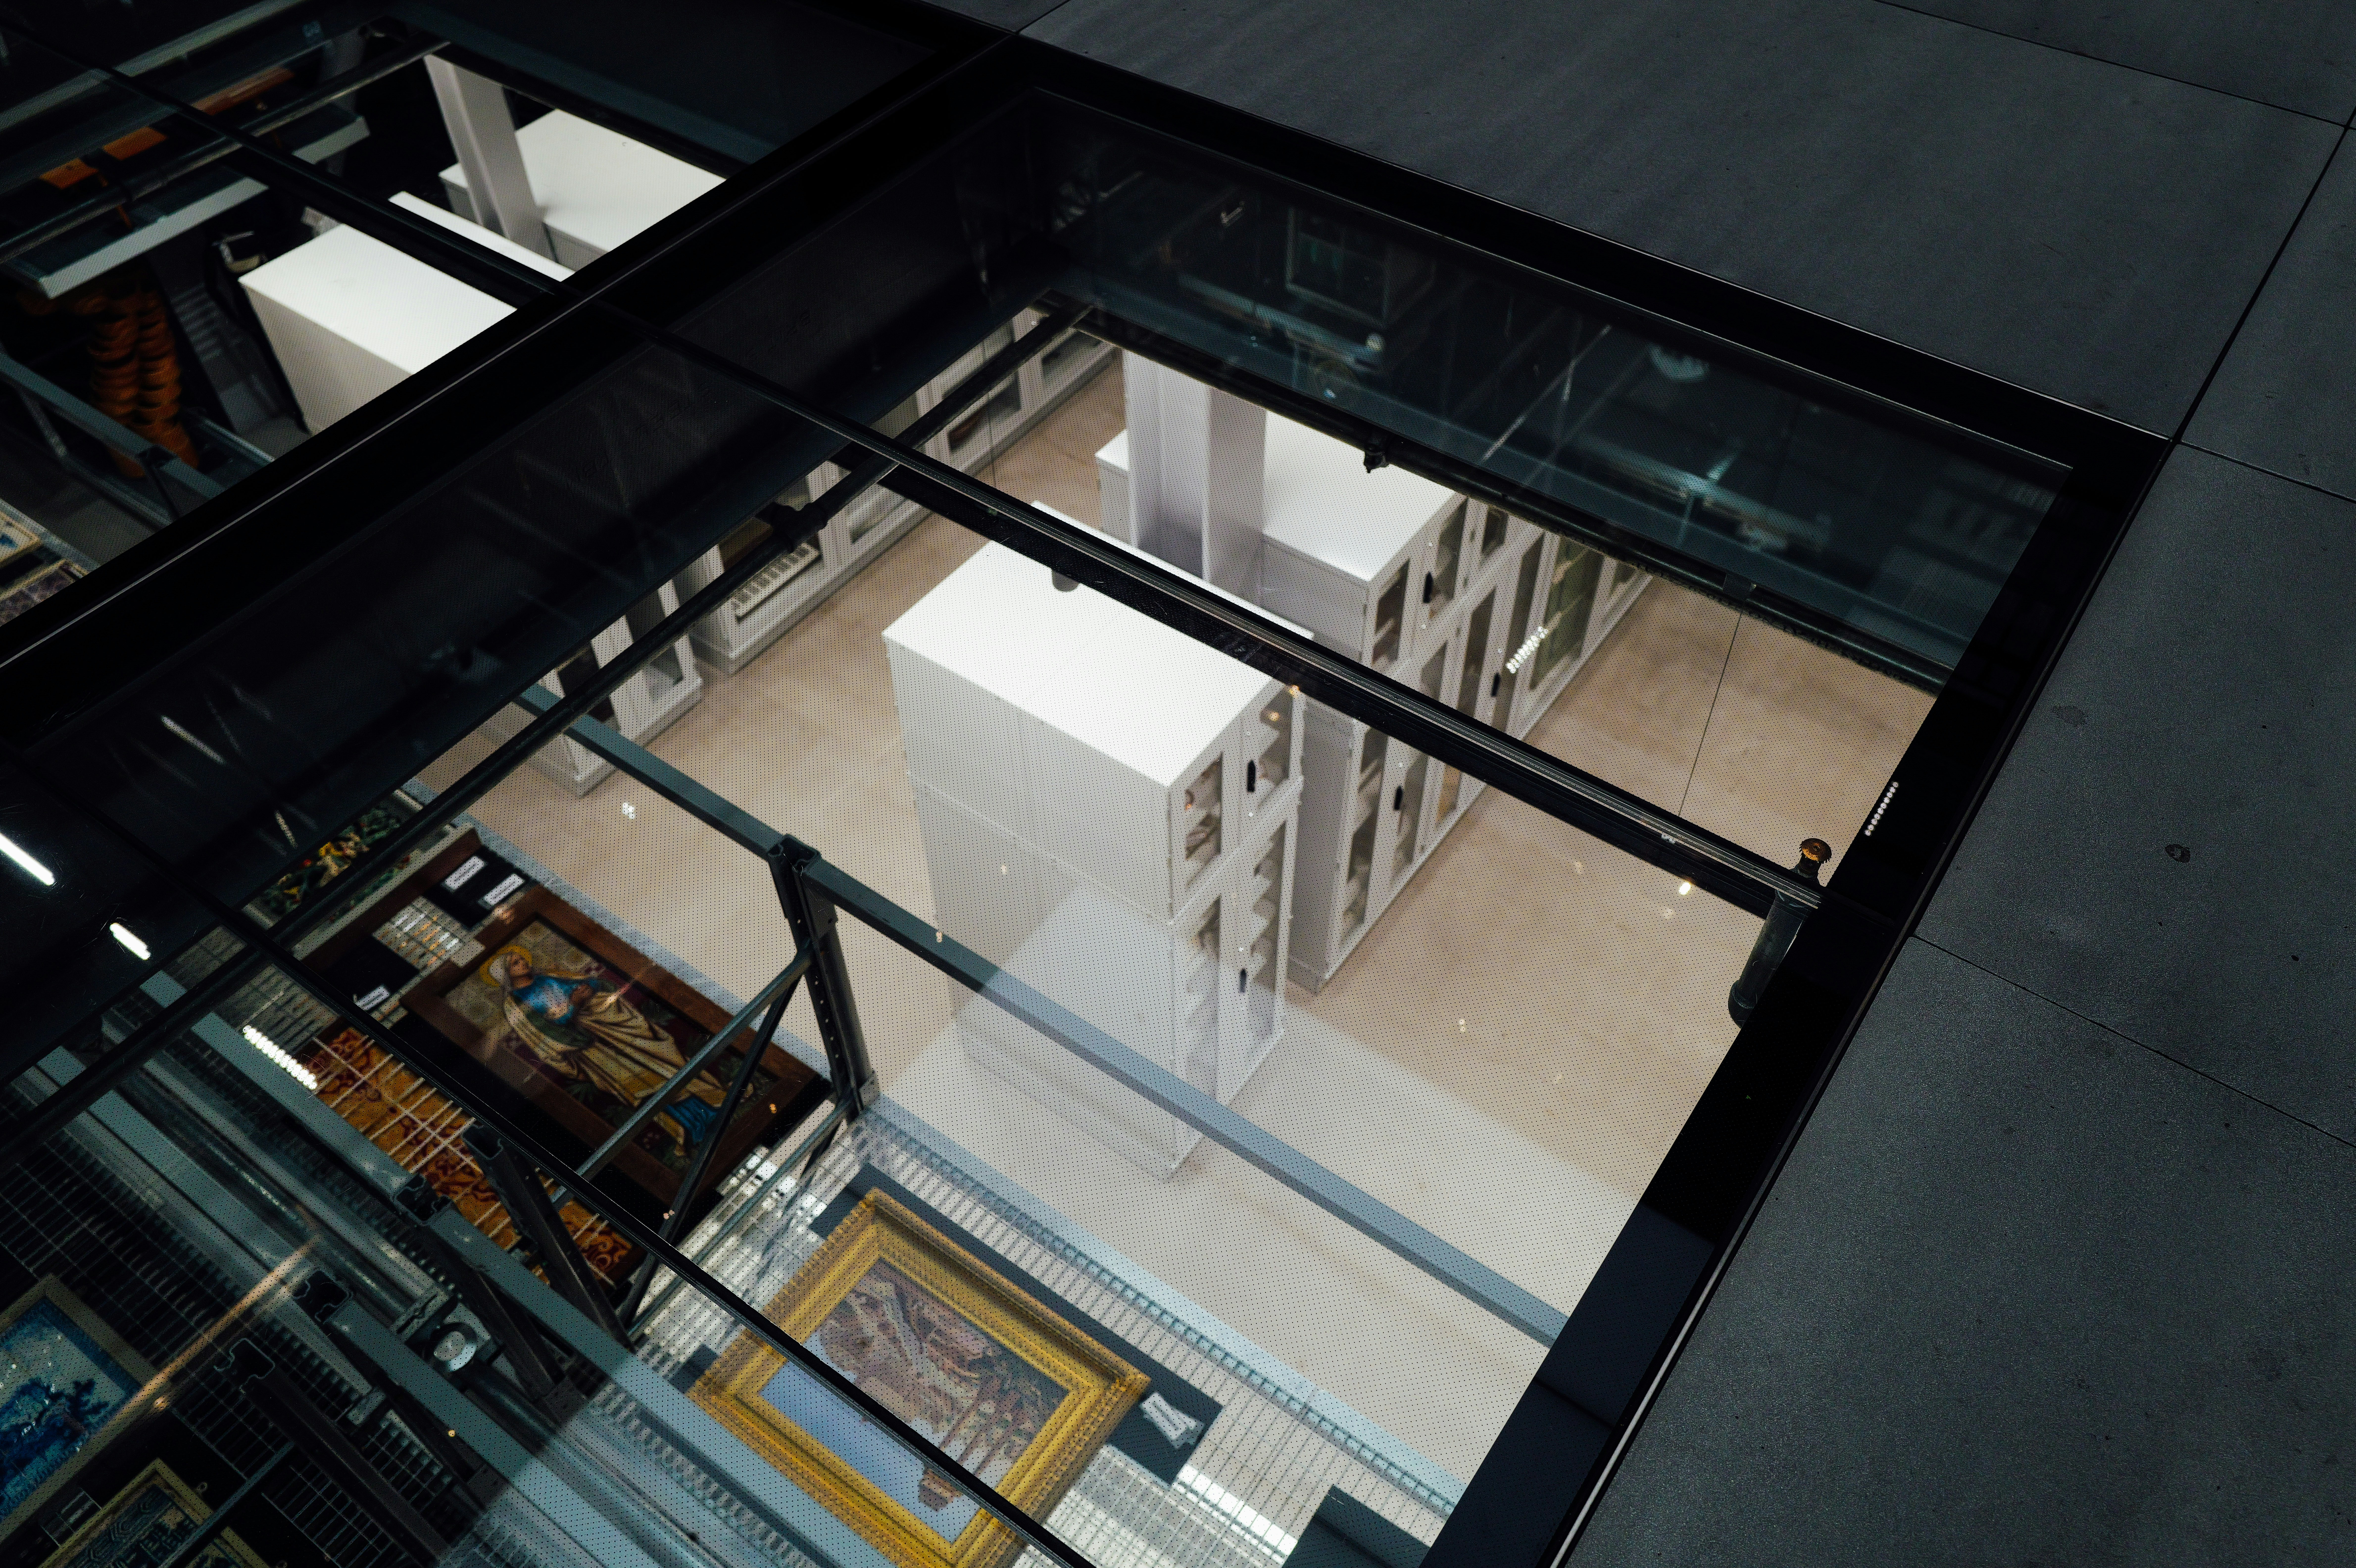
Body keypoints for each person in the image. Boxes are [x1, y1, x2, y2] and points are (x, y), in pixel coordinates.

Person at [482, 944, 727, 1158]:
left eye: (521, 959)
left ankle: (713, 1103)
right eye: (515, 963)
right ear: (506, 974)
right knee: (642, 1086)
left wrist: (588, 989)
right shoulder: (514, 1004)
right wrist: (573, 1007)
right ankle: (690, 1128)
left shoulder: (550, 976)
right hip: (590, 1050)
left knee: (661, 1063)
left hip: (609, 1029)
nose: (523, 963)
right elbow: (546, 1033)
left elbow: (588, 985)